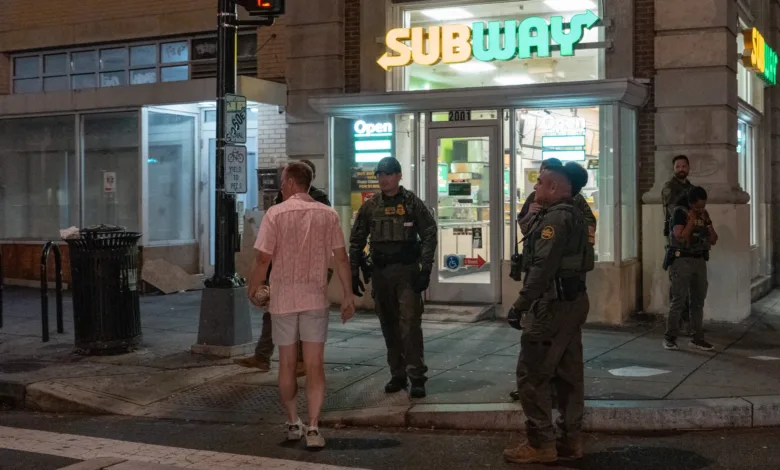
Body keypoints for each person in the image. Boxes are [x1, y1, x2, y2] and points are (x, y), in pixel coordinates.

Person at [247, 161, 355, 449]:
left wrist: (253, 287)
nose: (281, 188)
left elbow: (262, 259)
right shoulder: (328, 215)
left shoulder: (276, 214)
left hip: (283, 298)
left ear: (293, 183)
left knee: (286, 364)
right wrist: (347, 295)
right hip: (314, 297)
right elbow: (341, 258)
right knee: (314, 364)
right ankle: (314, 428)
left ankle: (293, 421)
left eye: (283, 183)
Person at [504, 164, 594, 464]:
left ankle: (541, 443)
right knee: (569, 375)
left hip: (551, 307)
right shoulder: (574, 214)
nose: (536, 188)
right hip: (572, 303)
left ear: (554, 188)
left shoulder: (554, 220)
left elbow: (542, 269)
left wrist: (520, 304)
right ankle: (570, 440)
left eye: (540, 183)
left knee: (531, 374)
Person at [349, 157, 438, 398]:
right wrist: (353, 270)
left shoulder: (411, 203)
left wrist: (425, 270)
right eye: (379, 174)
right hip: (380, 272)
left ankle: (416, 376)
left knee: (409, 324)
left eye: (388, 174)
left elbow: (430, 233)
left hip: (406, 271)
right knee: (388, 324)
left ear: (399, 175)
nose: (383, 178)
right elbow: (357, 239)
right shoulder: (371, 206)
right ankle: (397, 374)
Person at [235, 159, 331, 375]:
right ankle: (263, 356)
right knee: (273, 313)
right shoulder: (281, 198)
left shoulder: (319, 200)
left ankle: (299, 360)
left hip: (307, 269)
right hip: (282, 268)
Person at [663, 186, 717, 352]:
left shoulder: (704, 214)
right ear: (691, 203)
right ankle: (670, 337)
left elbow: (714, 238)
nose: (701, 209)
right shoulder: (680, 213)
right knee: (678, 300)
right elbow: (680, 237)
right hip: (682, 260)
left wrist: (708, 227)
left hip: (699, 259)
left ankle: (697, 337)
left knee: (698, 301)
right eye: (698, 206)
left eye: (703, 206)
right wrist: (692, 221)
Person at [662, 155, 694, 334]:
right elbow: (674, 210)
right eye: (678, 166)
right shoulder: (670, 188)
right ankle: (678, 322)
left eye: (684, 166)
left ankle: (688, 319)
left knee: (689, 279)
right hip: (676, 238)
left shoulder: (691, 188)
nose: (681, 169)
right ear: (673, 168)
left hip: (691, 238)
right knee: (677, 280)